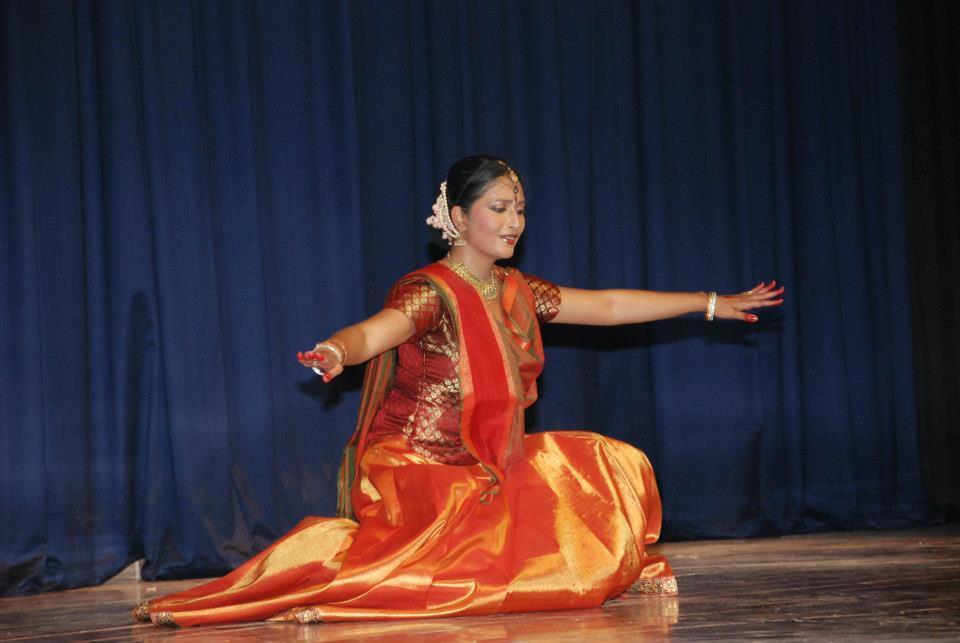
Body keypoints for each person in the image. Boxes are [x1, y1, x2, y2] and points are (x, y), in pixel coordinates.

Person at [133, 155, 784, 627]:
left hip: (484, 462)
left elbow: (608, 306)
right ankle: (347, 591)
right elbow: (376, 331)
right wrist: (338, 349)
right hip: (414, 467)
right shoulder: (430, 292)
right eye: (499, 208)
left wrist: (709, 303)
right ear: (457, 216)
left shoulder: (516, 290)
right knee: (466, 545)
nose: (514, 221)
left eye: (519, 208)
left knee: (607, 463)